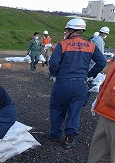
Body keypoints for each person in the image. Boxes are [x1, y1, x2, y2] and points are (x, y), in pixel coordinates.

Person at [48, 18, 106, 149]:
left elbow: (53, 63)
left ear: (71, 30)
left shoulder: (63, 44)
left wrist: (54, 73)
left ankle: (55, 133)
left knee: (57, 108)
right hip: (81, 84)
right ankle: (69, 138)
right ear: (81, 31)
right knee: (75, 111)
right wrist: (89, 74)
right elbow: (102, 62)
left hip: (63, 83)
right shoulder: (91, 46)